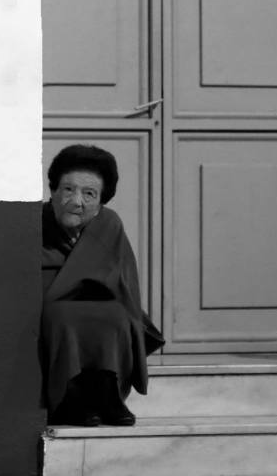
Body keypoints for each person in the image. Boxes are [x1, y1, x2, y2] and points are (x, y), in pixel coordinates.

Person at [41, 144, 164, 427]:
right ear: (53, 191)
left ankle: (108, 395)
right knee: (61, 315)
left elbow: (123, 281)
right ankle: (67, 399)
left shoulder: (109, 224)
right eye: (68, 189)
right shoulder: (34, 223)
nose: (76, 201)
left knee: (116, 315)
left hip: (92, 303)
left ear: (100, 205)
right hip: (48, 308)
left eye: (89, 194)